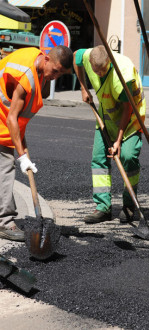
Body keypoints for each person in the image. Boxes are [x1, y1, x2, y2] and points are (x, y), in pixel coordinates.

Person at [0, 45, 73, 241]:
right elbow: (12, 119)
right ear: (47, 59)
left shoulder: (40, 64)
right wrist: (22, 157)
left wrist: (49, 78)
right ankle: (5, 223)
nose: (55, 76)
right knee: (6, 166)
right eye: (55, 71)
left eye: (60, 75)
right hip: (4, 120)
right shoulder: (26, 77)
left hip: (7, 118)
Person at [73, 45, 146, 224]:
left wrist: (118, 141)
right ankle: (102, 207)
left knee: (128, 157)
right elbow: (76, 56)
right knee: (99, 159)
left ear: (110, 63)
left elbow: (127, 108)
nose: (98, 75)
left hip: (130, 121)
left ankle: (129, 205)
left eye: (102, 71)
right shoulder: (90, 56)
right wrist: (83, 87)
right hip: (106, 118)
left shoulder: (124, 75)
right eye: (95, 72)